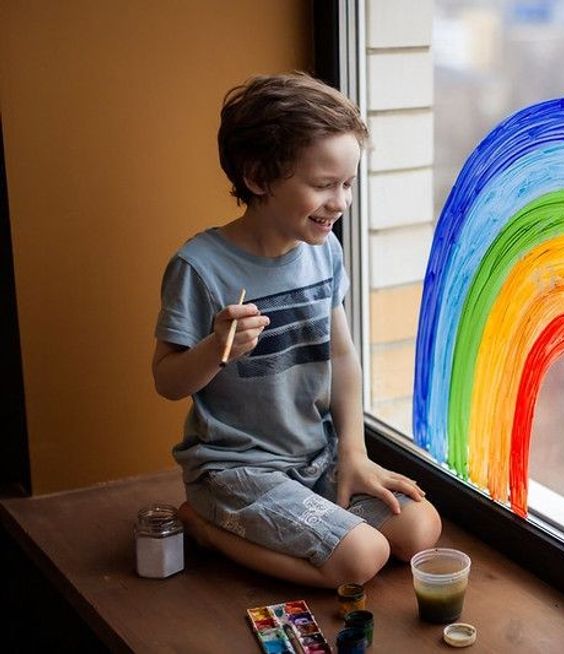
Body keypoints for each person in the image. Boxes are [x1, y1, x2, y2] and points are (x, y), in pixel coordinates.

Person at [152, 72, 441, 588]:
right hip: (237, 471)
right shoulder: (199, 267)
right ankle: (208, 524)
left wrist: (354, 453)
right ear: (260, 178)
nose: (341, 202)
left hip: (316, 458)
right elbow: (168, 381)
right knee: (360, 560)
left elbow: (342, 357)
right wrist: (215, 349)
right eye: (324, 185)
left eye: (348, 184)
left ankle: (309, 515)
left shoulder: (323, 252)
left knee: (421, 528)